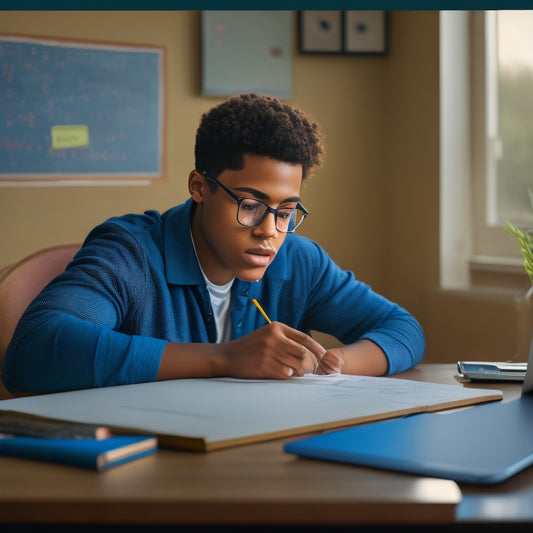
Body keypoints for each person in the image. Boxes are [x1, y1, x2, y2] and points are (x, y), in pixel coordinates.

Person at [1, 93, 425, 394]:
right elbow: (34, 351)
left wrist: (336, 364)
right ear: (199, 187)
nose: (269, 231)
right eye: (250, 204)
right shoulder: (129, 253)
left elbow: (403, 329)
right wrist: (224, 358)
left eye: (286, 210)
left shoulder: (299, 260)